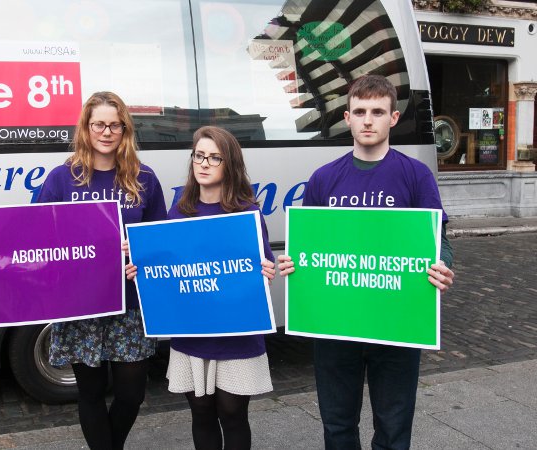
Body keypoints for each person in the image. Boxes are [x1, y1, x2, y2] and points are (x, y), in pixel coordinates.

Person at [0, 91, 167, 450]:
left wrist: (142, 251)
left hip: (131, 305)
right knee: (90, 393)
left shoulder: (144, 179)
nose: (106, 132)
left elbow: (162, 240)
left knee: (131, 394)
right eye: (98, 125)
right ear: (86, 129)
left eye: (114, 125)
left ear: (125, 129)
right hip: (80, 307)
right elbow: (32, 235)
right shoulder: (63, 178)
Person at [277, 74, 455, 450]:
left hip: (396, 324)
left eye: (378, 111)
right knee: (337, 425)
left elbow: (437, 238)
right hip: (335, 326)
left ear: (393, 118)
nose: (368, 120)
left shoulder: (415, 175)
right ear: (347, 117)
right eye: (360, 111)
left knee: (393, 426)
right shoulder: (324, 179)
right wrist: (295, 265)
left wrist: (441, 264)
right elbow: (311, 246)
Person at [126, 126, 276, 450]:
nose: (204, 163)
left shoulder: (246, 212)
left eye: (214, 157)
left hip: (236, 334)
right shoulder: (179, 211)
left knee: (233, 413)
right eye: (199, 155)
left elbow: (266, 261)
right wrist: (141, 269)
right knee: (202, 414)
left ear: (229, 164)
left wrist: (269, 269)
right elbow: (165, 268)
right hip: (192, 333)